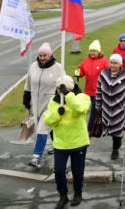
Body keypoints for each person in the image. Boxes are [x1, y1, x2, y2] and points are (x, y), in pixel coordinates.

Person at [44, 75, 90, 209]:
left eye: (63, 89)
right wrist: (57, 113)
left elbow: (80, 109)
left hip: (78, 142)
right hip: (60, 143)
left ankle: (78, 193)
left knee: (77, 171)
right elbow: (48, 120)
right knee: (58, 171)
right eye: (58, 89)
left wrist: (68, 96)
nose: (60, 91)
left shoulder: (82, 97)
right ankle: (63, 196)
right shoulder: (53, 101)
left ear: (71, 88)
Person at [24, 42, 63, 168]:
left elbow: (65, 84)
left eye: (44, 55)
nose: (42, 58)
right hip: (35, 103)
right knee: (50, 129)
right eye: (40, 55)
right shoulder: (33, 67)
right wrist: (26, 98)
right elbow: (28, 84)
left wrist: (62, 99)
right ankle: (58, 146)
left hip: (50, 104)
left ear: (50, 55)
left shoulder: (58, 68)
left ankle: (36, 157)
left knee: (41, 130)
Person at [95, 54, 125, 159]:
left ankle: (115, 149)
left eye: (116, 63)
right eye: (111, 62)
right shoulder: (103, 73)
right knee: (108, 128)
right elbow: (98, 89)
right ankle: (115, 143)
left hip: (120, 109)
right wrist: (98, 104)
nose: (113, 65)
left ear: (120, 64)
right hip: (106, 108)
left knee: (117, 130)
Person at [75, 40, 109, 132]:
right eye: (91, 50)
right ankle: (98, 125)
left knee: (94, 111)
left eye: (94, 51)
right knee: (86, 109)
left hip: (99, 91)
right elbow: (80, 71)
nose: (92, 52)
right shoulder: (86, 61)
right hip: (88, 91)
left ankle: (89, 129)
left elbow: (109, 74)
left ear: (98, 51)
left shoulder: (104, 61)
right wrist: (77, 72)